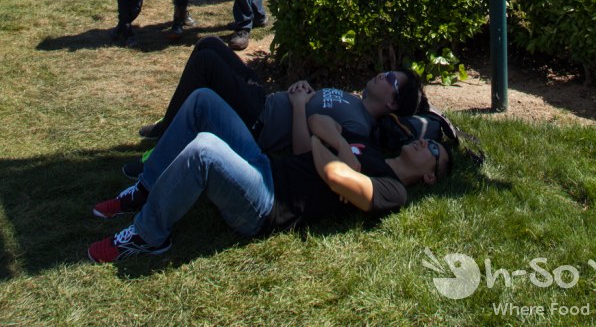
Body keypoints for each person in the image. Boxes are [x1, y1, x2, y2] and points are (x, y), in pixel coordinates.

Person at [87, 86, 451, 263]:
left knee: (204, 150)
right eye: (427, 141)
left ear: (430, 177)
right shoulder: (368, 150)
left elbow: (338, 179)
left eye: (433, 151)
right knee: (203, 100)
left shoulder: (393, 192)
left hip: (265, 206)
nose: (424, 145)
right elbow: (317, 122)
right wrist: (339, 150)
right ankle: (146, 188)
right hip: (265, 167)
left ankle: (150, 235)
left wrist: (334, 162)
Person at [124, 34, 425, 169]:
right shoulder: (354, 100)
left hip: (260, 123)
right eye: (387, 72)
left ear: (393, 104)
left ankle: (166, 141)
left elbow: (302, 153)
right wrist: (302, 89)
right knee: (210, 44)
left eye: (391, 80)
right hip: (264, 99)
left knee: (206, 63)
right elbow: (314, 102)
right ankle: (171, 122)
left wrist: (297, 106)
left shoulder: (357, 125)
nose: (383, 75)